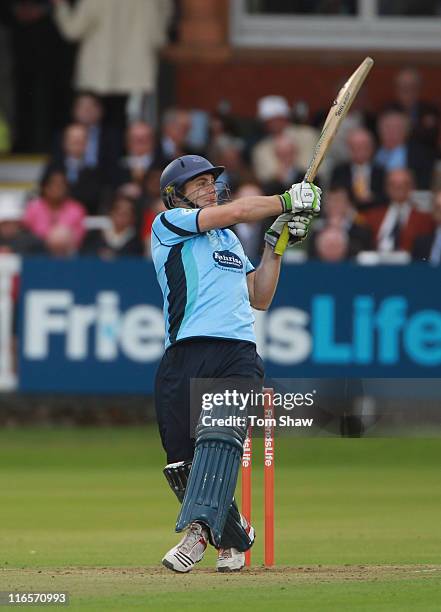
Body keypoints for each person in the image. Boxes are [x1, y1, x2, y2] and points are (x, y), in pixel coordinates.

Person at [151, 154, 321, 573]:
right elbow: (243, 209)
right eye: (199, 183)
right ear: (175, 195)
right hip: (183, 355)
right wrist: (286, 200)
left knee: (220, 436)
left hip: (236, 354)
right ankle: (237, 536)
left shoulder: (228, 242)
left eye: (212, 181)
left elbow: (259, 297)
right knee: (183, 467)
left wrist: (273, 245)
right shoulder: (168, 226)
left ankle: (196, 534)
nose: (209, 187)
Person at [362, 168, 434, 254]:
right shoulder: (372, 216)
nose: (398, 188)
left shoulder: (424, 219)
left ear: (412, 187)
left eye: (404, 184)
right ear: (386, 188)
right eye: (393, 184)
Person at [23, 168, 86, 253]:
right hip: (38, 253)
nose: (57, 189)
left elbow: (79, 236)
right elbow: (26, 233)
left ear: (66, 188)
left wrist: (60, 240)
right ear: (45, 188)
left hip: (69, 255)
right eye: (53, 185)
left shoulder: (76, 208)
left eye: (61, 185)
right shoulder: (33, 207)